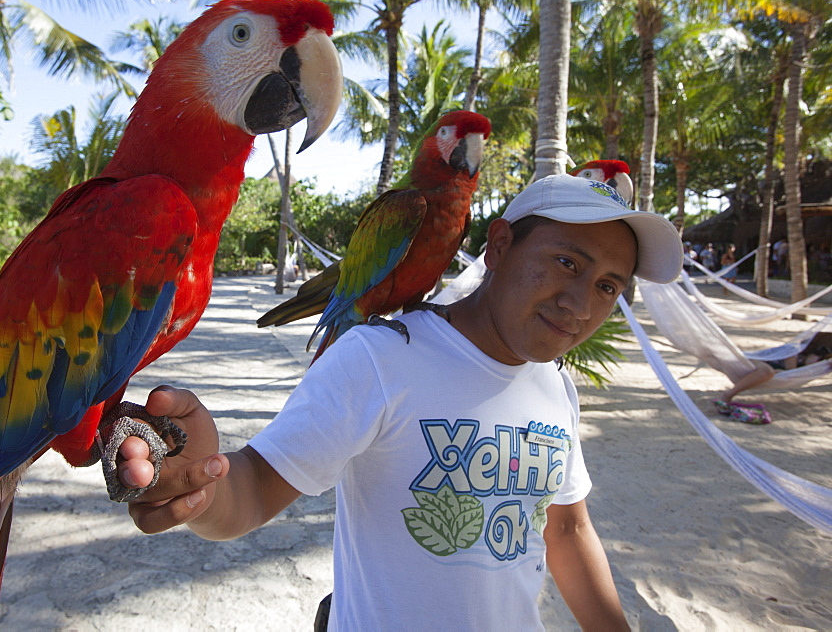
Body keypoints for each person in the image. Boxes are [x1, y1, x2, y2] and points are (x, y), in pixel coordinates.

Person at [116, 174, 684, 631]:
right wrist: (205, 484)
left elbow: (566, 530)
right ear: (501, 245)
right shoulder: (379, 358)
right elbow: (252, 490)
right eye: (568, 262)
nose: (582, 304)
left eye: (609, 286)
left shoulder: (556, 386)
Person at [713, 331, 832, 424]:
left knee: (768, 372)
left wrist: (824, 365)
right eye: (820, 355)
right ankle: (727, 396)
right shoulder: (793, 351)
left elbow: (793, 373)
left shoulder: (812, 367)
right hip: (752, 363)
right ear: (813, 349)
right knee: (767, 372)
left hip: (762, 370)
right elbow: (790, 371)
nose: (819, 361)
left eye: (823, 360)